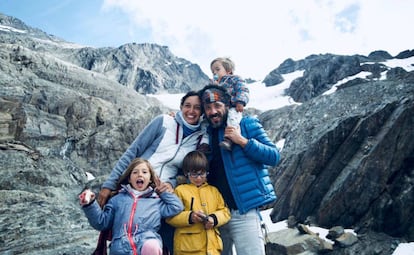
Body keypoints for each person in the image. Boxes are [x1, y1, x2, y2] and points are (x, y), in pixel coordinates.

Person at [97, 91, 208, 254]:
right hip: (137, 187)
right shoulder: (163, 121)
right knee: (128, 238)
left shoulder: (199, 139)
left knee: (159, 244)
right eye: (187, 106)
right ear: (181, 107)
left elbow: (188, 171)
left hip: (162, 195)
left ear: (202, 112)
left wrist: (172, 183)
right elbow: (132, 152)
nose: (191, 111)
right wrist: (109, 184)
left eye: (197, 108)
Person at [199, 84, 281, 255]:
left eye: (217, 106)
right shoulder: (204, 135)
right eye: (208, 108)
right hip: (215, 215)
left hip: (244, 211)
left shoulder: (246, 124)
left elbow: (273, 156)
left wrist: (242, 141)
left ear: (227, 105)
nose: (213, 111)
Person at [79, 158, 184, 255]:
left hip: (146, 242)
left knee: (152, 246)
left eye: (144, 172)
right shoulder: (117, 200)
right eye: (135, 172)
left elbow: (176, 207)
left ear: (151, 179)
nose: (139, 175)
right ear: (129, 178)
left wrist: (163, 192)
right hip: (120, 247)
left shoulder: (156, 201)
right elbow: (101, 223)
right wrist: (90, 204)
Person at [166, 151, 231, 255]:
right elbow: (170, 217)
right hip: (187, 248)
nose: (199, 178)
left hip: (213, 249)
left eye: (202, 174)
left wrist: (213, 219)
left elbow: (225, 212)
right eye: (194, 174)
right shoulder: (180, 190)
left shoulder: (213, 190)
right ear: (186, 173)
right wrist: (190, 217)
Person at [210, 57, 249, 151]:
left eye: (217, 69)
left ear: (228, 71)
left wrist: (240, 101)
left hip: (233, 106)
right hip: (221, 109)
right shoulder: (216, 84)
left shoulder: (235, 79)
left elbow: (243, 90)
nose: (215, 72)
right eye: (213, 71)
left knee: (232, 118)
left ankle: (229, 139)